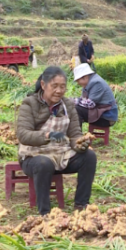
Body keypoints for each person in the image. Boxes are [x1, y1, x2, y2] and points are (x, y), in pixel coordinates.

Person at [16, 66, 96, 215]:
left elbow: (74, 134)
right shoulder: (30, 104)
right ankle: (45, 213)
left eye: (62, 87)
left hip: (61, 154)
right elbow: (23, 134)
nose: (59, 91)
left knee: (89, 157)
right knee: (43, 163)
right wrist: (48, 136)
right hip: (34, 155)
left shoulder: (68, 105)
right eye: (54, 86)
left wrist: (80, 143)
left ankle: (81, 204)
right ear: (43, 85)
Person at [73, 63, 118, 128]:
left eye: (78, 80)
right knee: (73, 108)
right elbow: (82, 101)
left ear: (85, 77)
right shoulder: (88, 83)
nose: (78, 83)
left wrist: (72, 101)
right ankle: (75, 134)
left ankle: (76, 135)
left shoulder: (96, 83)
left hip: (106, 117)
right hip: (99, 113)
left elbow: (90, 104)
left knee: (76, 109)